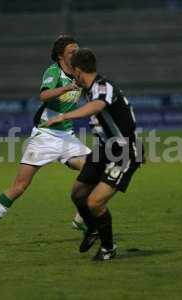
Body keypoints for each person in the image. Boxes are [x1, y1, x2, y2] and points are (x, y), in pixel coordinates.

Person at [0, 35, 91, 249]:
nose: (76, 54)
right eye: (71, 51)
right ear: (60, 56)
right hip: (45, 137)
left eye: (78, 50)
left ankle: (80, 220)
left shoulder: (79, 73)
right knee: (20, 186)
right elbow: (44, 95)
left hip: (67, 137)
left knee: (94, 172)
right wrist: (65, 89)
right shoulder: (54, 72)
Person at [46, 48, 144, 261]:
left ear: (79, 71)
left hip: (125, 152)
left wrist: (63, 116)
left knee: (94, 203)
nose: (73, 76)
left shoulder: (102, 86)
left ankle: (108, 248)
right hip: (104, 150)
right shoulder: (91, 88)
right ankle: (92, 229)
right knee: (78, 194)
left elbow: (96, 106)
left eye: (73, 72)